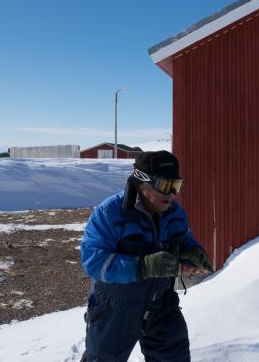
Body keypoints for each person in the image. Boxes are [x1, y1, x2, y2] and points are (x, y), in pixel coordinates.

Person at [80, 150, 213, 362]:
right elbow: (93, 261)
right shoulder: (110, 213)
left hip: (161, 304)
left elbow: (185, 238)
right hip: (115, 308)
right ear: (142, 182)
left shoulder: (175, 213)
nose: (171, 194)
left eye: (176, 186)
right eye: (165, 185)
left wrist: (191, 250)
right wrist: (143, 266)